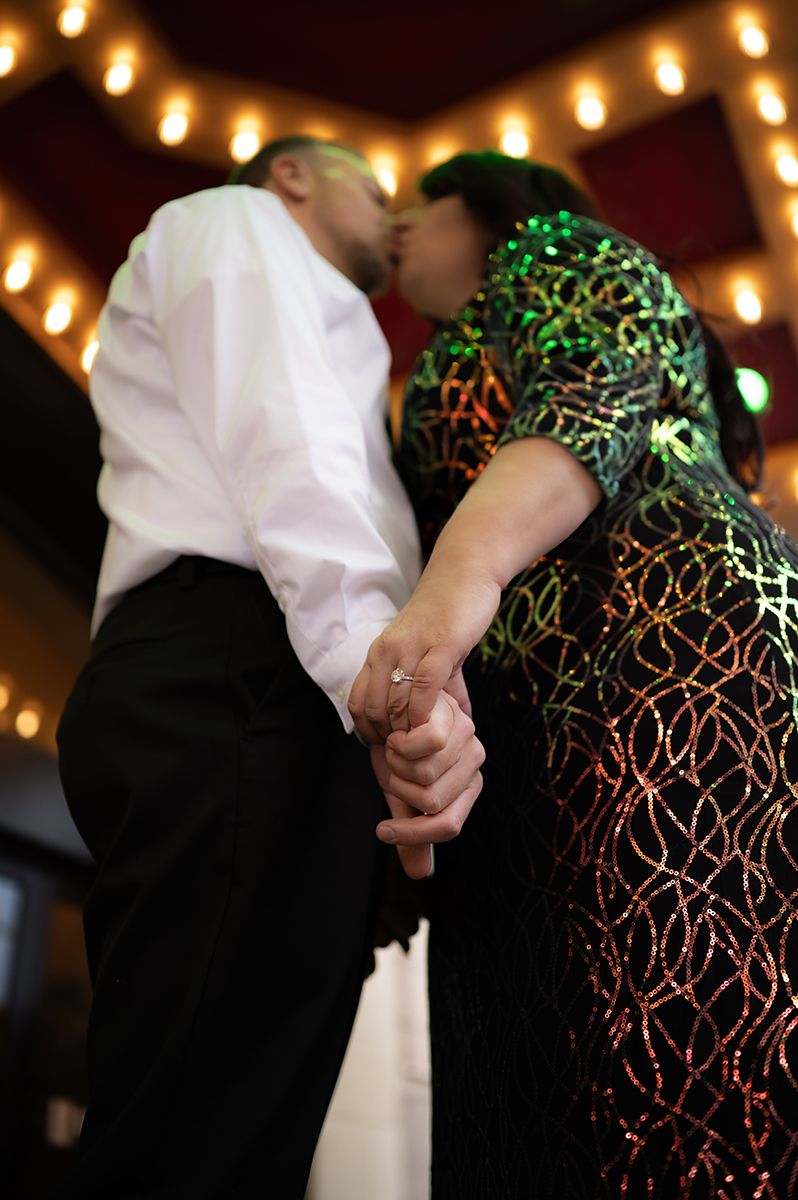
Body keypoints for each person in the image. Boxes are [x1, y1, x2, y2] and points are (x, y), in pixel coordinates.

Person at [350, 150, 798, 1197]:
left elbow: (593, 386)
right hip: (531, 736)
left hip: (666, 666)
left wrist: (449, 594)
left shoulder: (556, 252)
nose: (399, 224)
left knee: (681, 1055)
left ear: (490, 208)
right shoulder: (451, 347)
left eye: (420, 202)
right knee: (531, 1085)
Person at [54, 135, 483, 1200]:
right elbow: (289, 449)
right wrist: (385, 691)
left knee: (243, 1117)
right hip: (234, 665)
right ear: (291, 175)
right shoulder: (234, 223)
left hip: (271, 676)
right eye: (371, 181)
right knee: (195, 1128)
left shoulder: (323, 315)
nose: (390, 209)